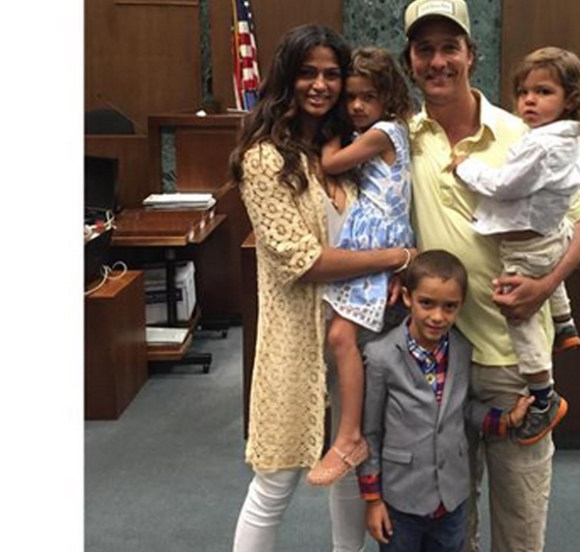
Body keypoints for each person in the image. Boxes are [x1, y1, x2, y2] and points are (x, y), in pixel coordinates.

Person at [400, 1, 580, 551]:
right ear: (410, 60)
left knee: (519, 521)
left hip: (511, 359)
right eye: (424, 49)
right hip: (439, 359)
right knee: (448, 521)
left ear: (471, 54)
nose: (438, 61)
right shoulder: (400, 140)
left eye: (449, 47)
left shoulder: (524, 132)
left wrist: (544, 286)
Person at [229, 24, 415, 552]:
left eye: (332, 74)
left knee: (353, 464)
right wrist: (399, 258)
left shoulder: (349, 150)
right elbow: (303, 260)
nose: (320, 85)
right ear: (287, 77)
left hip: (360, 328)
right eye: (308, 72)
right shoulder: (264, 159)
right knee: (276, 480)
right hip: (297, 337)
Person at [448, 46, 580, 446]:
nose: (530, 100)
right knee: (551, 254)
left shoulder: (540, 144)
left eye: (543, 92)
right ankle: (564, 323)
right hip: (550, 234)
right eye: (524, 92)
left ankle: (544, 397)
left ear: (570, 98)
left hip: (525, 249)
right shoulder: (566, 138)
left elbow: (503, 184)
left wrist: (465, 167)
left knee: (520, 319)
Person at [356, 249, 534, 552]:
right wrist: (373, 500)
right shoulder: (380, 355)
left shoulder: (462, 349)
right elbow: (370, 432)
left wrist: (503, 420)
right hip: (401, 500)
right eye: (427, 303)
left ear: (461, 306)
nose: (438, 316)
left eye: (449, 307)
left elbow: (462, 408)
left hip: (451, 499)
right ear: (408, 298)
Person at [307, 47, 417, 487]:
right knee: (345, 339)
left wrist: (330, 130)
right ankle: (352, 431)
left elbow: (330, 163)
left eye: (367, 97)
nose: (356, 106)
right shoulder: (379, 131)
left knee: (341, 336)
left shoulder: (385, 131)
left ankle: (350, 435)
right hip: (371, 241)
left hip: (379, 244)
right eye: (350, 97)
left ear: (388, 97)